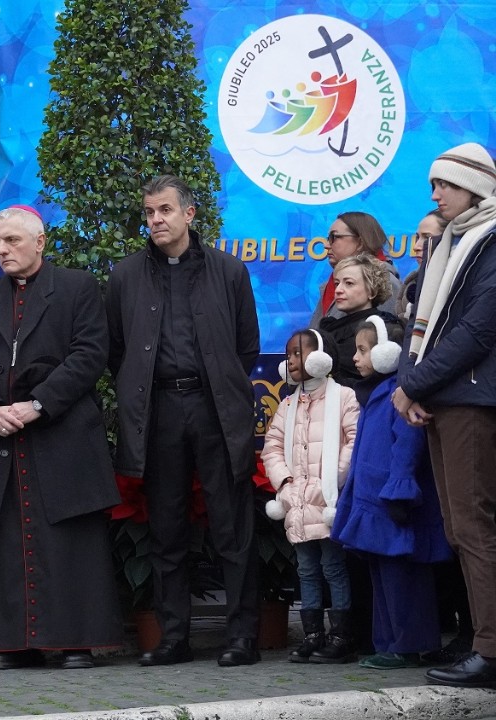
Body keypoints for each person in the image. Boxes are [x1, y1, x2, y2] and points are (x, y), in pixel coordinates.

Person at [0, 205, 123, 670]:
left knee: (70, 542)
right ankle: (13, 643)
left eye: (12, 241)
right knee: (5, 542)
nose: (2, 250)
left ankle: (75, 641)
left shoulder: (77, 287)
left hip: (60, 433)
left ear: (40, 242)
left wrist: (37, 404)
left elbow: (89, 356)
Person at [106, 175, 261, 667]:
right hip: (159, 412)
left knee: (231, 527)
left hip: (215, 408)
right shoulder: (125, 275)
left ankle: (243, 637)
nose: (156, 220)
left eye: (165, 210)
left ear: (189, 215)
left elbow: (245, 347)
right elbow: (117, 350)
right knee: (166, 528)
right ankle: (174, 638)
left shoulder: (229, 270)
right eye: (149, 212)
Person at [395, 142, 496, 689]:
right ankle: (481, 641)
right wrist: (419, 387)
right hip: (448, 397)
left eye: (446, 185)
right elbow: (426, 324)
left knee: (475, 526)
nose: (435, 195)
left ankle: (491, 650)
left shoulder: (491, 241)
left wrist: (412, 383)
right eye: (433, 185)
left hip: (474, 400)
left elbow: (478, 331)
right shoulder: (452, 244)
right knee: (460, 527)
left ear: (476, 188)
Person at [331, 317, 451, 669]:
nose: (355, 358)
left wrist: (400, 489)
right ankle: (388, 644)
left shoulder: (401, 394)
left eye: (363, 350)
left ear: (387, 353)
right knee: (382, 576)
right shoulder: (375, 396)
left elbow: (409, 444)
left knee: (403, 579)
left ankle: (409, 644)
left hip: (391, 503)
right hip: (372, 503)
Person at [261, 328, 359, 664]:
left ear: (320, 357)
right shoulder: (288, 404)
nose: (291, 361)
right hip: (297, 503)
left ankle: (342, 636)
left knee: (333, 567)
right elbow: (272, 446)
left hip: (327, 501)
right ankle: (313, 635)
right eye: (288, 355)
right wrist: (285, 482)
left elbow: (353, 442)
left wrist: (330, 482)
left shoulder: (342, 397)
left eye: (298, 354)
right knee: (306, 570)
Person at [317, 254, 403, 386]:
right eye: (337, 283)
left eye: (349, 283)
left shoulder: (382, 330)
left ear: (371, 291)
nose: (338, 290)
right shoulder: (331, 327)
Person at [310, 211, 402, 325]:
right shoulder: (331, 285)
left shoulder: (386, 283)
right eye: (328, 238)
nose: (326, 245)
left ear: (360, 242)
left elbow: (382, 336)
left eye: (334, 237)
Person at [396, 210, 446, 323]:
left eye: (427, 238)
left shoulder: (455, 283)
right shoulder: (412, 281)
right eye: (417, 237)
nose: (416, 247)